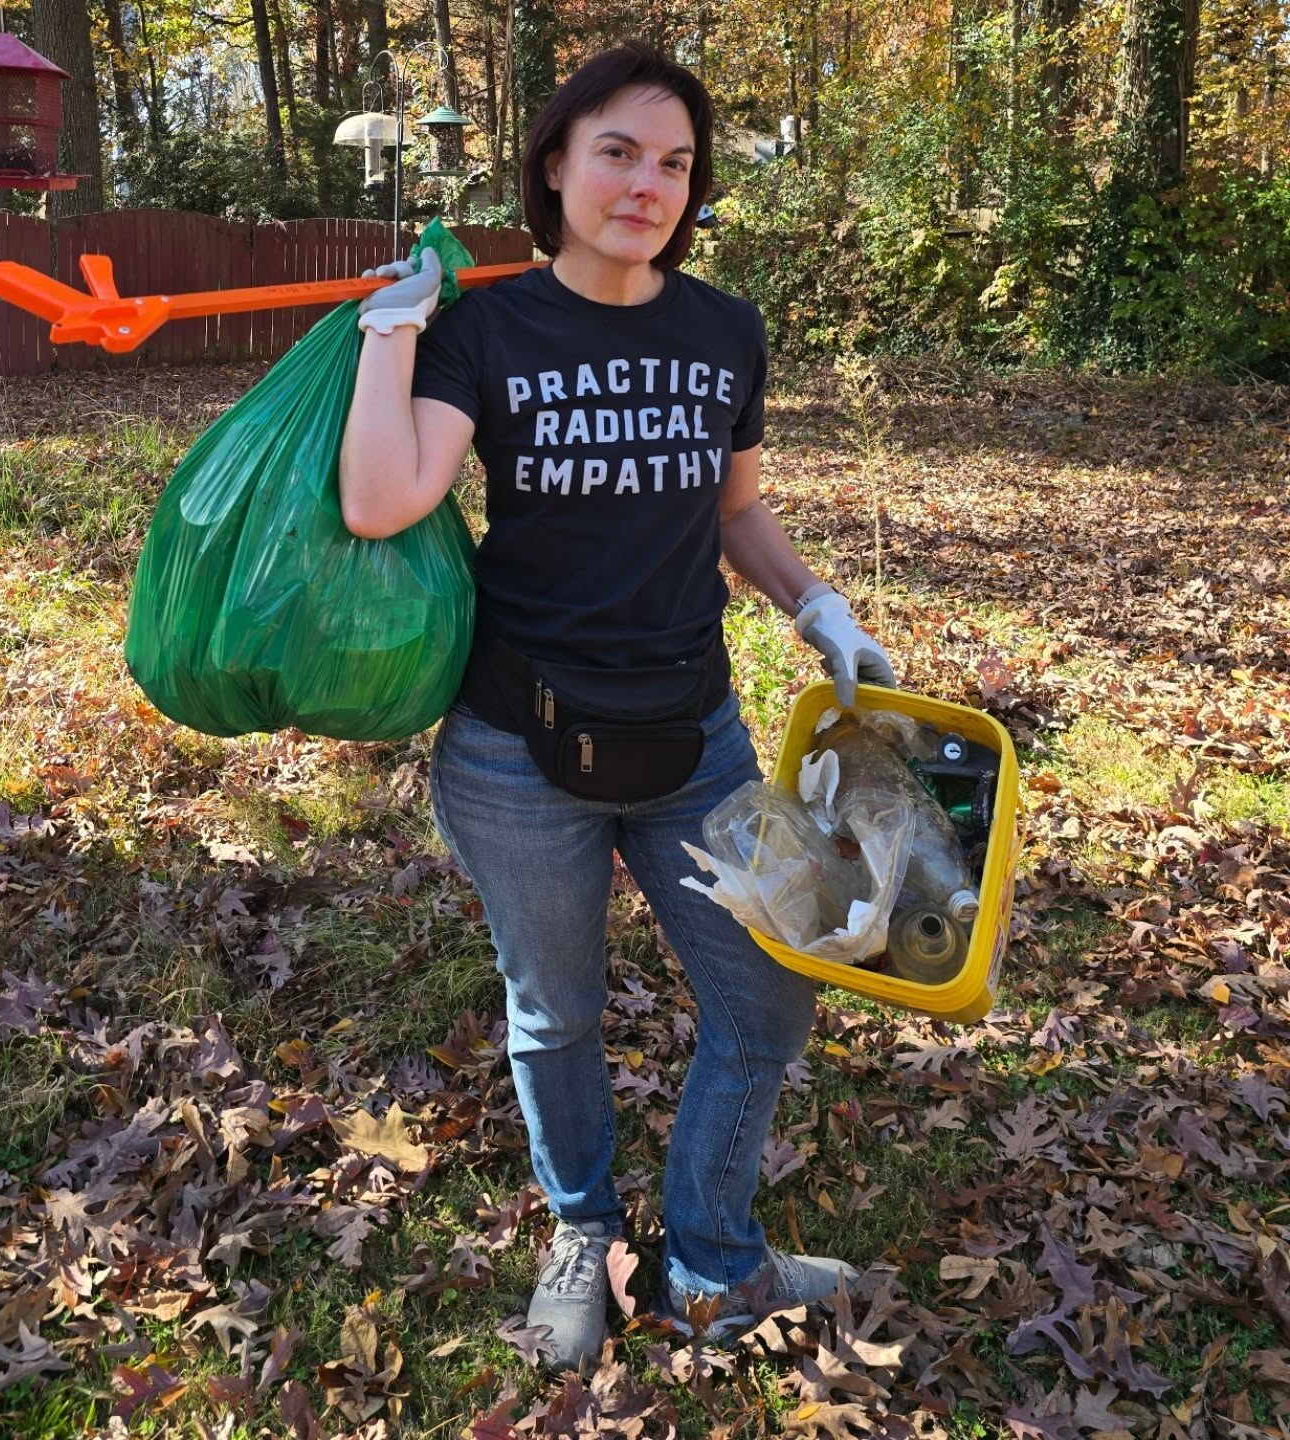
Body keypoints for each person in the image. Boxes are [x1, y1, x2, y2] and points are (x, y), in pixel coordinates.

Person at [339, 42, 896, 1373]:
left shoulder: (723, 332)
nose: (648, 183)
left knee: (767, 1000)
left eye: (675, 162)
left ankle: (710, 1258)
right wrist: (393, 330)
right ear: (554, 165)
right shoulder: (487, 327)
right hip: (516, 748)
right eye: (618, 152)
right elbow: (380, 500)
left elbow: (737, 512)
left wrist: (816, 608)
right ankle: (583, 1234)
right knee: (559, 1012)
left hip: (699, 739)